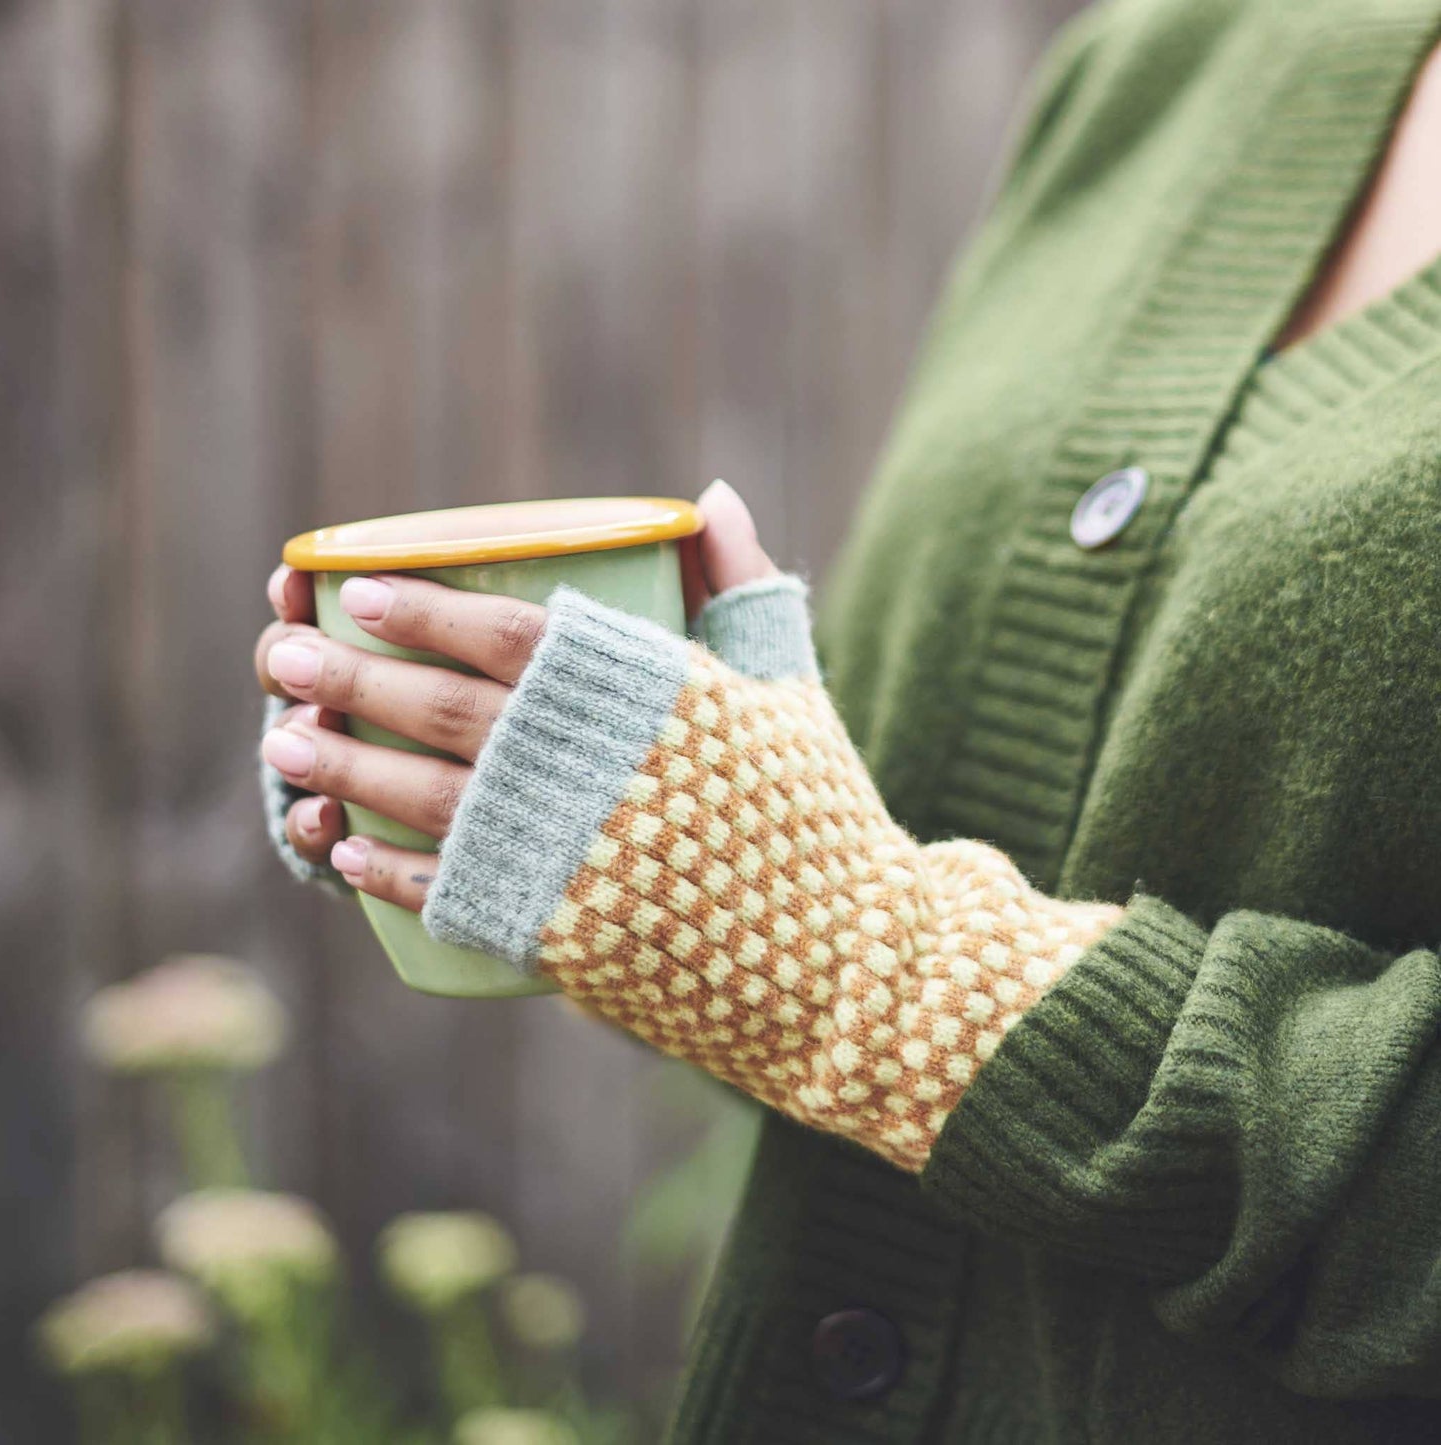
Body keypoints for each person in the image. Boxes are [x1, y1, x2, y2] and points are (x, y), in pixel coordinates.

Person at [255, 0, 1441, 1438]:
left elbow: (876, 953)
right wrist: (569, 809)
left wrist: (879, 970)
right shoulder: (1166, 60)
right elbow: (863, 895)